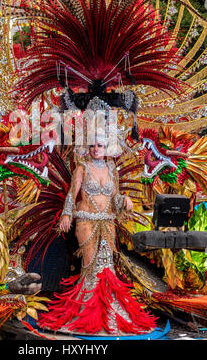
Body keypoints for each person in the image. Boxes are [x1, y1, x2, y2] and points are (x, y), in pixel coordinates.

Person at [38, 137, 157, 336]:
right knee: (92, 266)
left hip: (108, 222)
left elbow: (115, 197)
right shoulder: (82, 168)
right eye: (92, 145)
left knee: (107, 266)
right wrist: (67, 214)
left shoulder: (112, 169)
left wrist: (125, 200)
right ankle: (86, 314)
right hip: (86, 221)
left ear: (106, 147)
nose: (95, 149)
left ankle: (108, 313)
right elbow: (72, 193)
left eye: (100, 145)